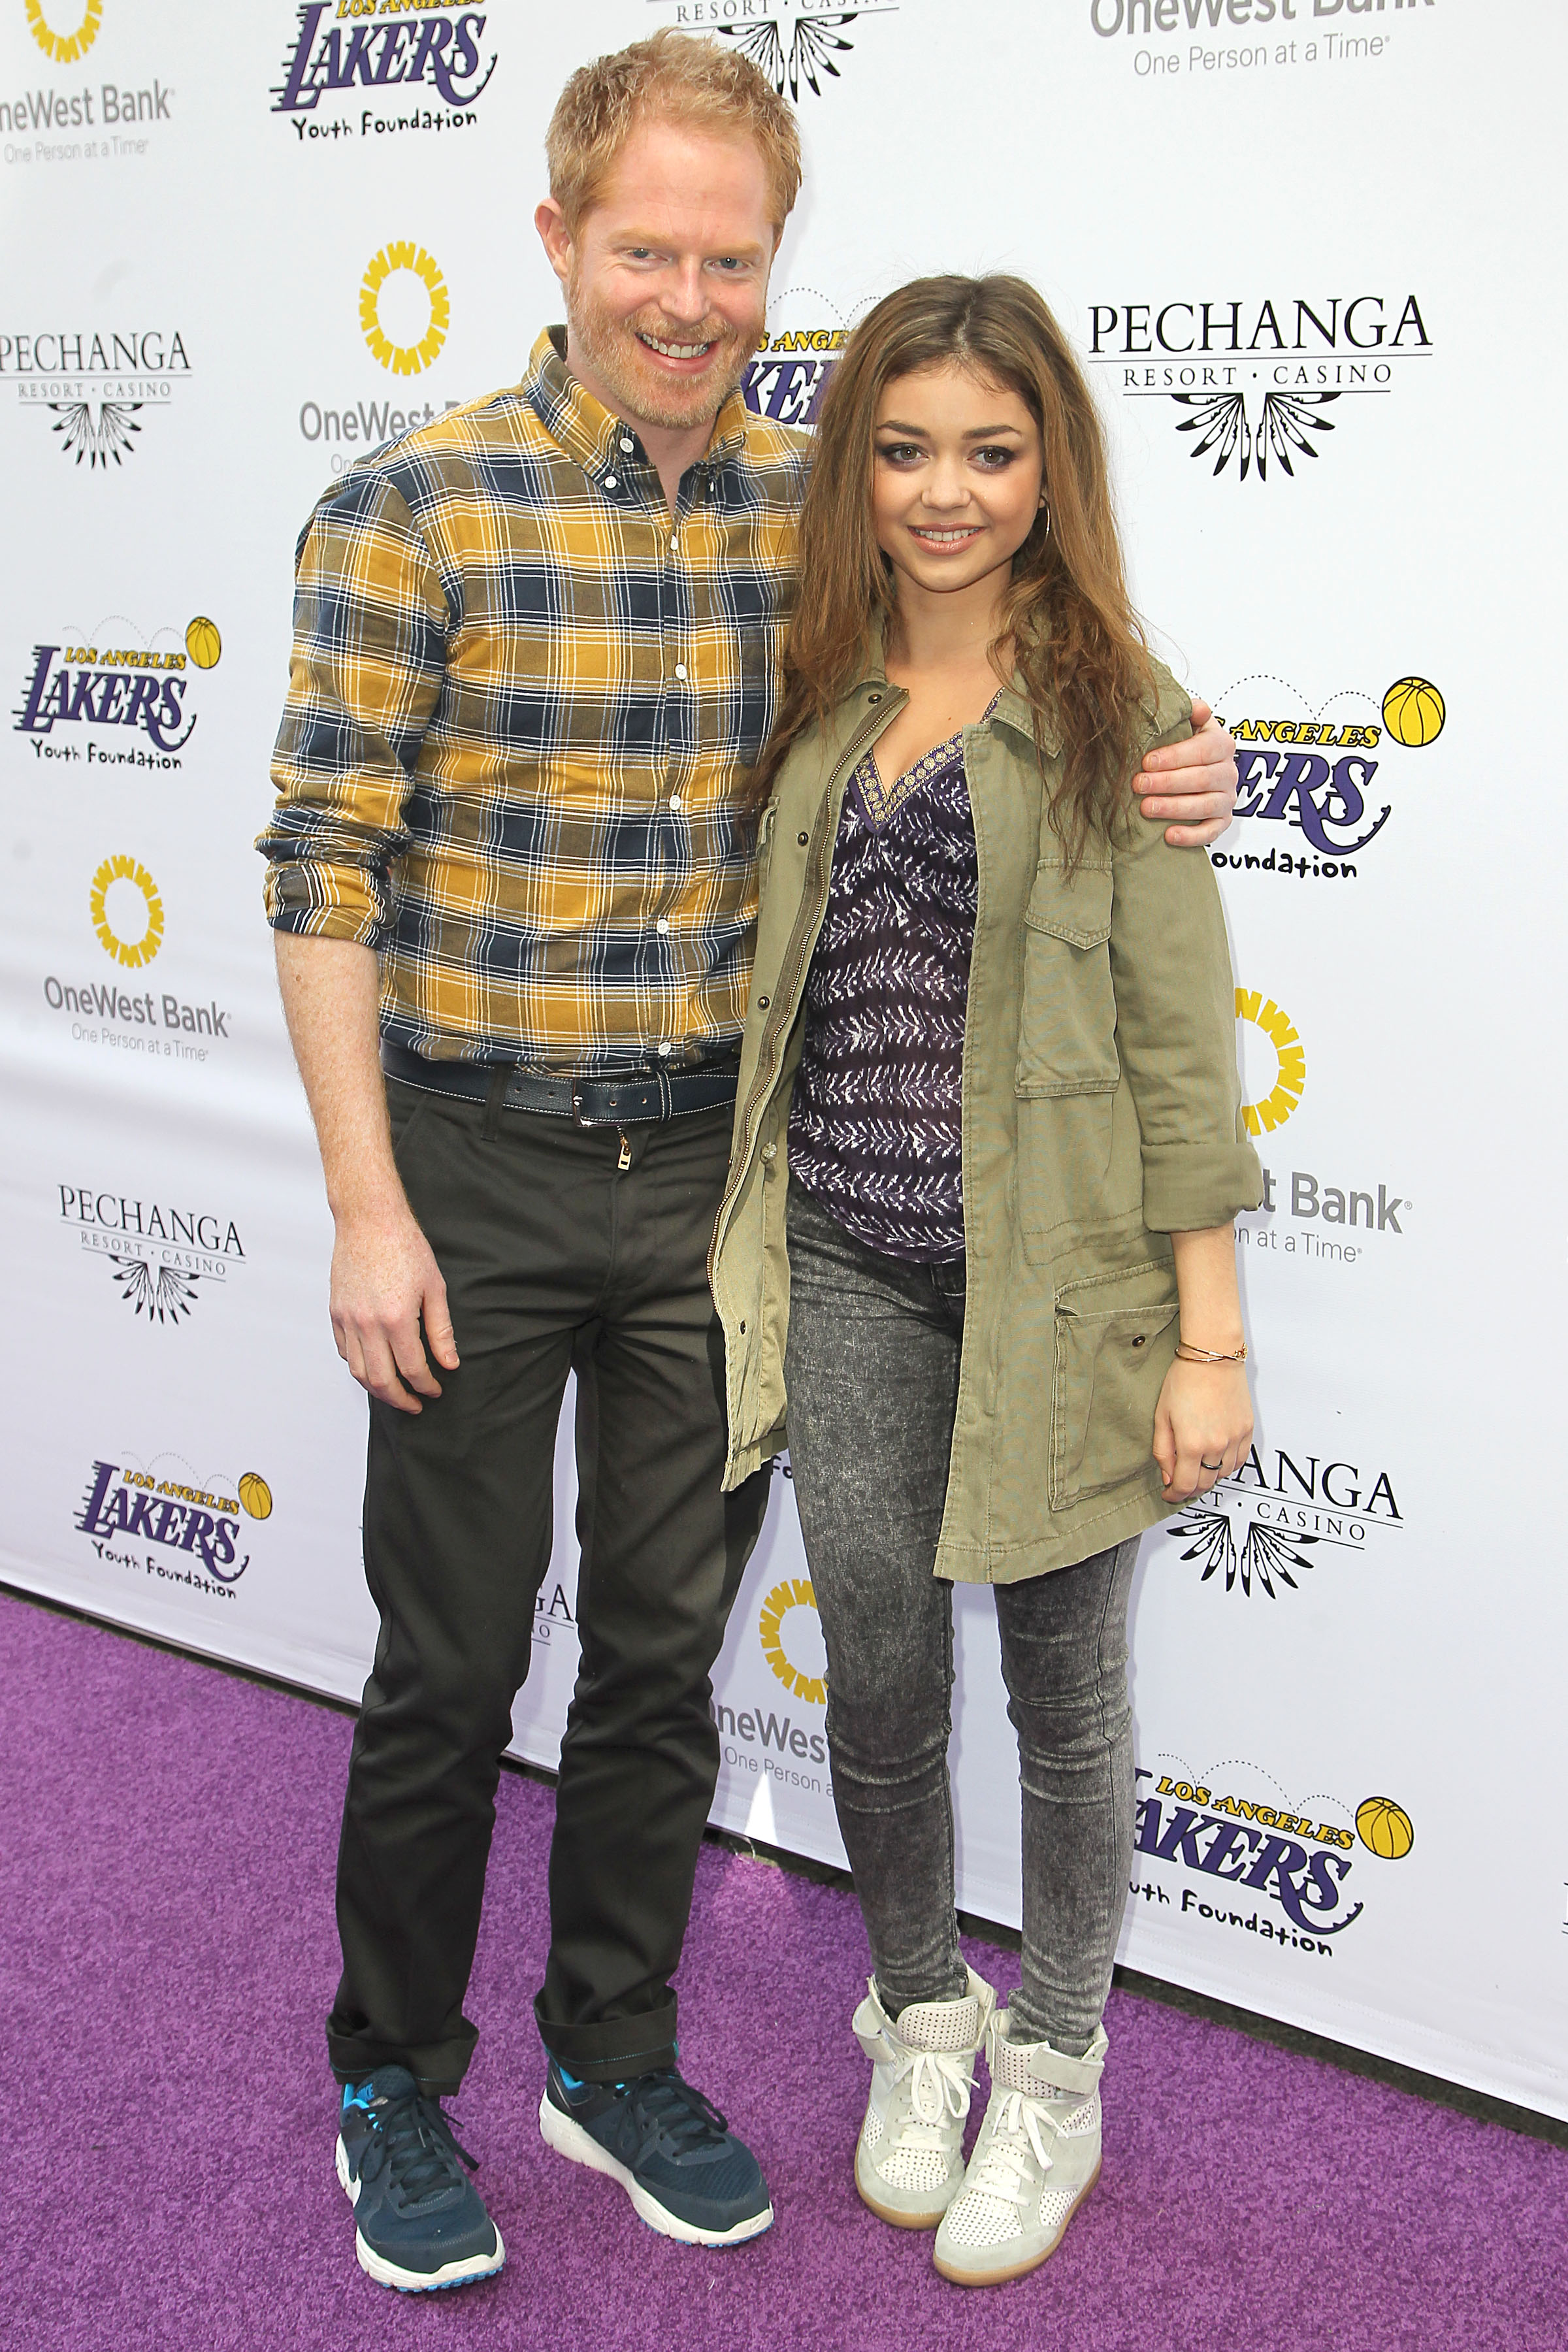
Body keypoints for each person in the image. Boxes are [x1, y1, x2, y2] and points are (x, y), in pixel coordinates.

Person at [257, 33, 1239, 2295]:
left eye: (730, 256)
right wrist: (366, 1201)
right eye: (646, 251)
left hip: (723, 1187)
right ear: (555, 240)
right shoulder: (414, 509)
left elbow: (1027, 642)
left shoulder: (821, 524)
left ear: (771, 264)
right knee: (447, 1652)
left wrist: (1185, 755)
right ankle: (390, 2071)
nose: (687, 298)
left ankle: (609, 2047)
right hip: (478, 1174)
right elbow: (319, 864)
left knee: (659, 1656)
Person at [709, 273, 1262, 2289]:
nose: (947, 492)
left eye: (995, 452)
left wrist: (1211, 1338)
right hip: (847, 1260)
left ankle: (1055, 2064)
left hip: (1066, 1297)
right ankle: (923, 2017)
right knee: (875, 1665)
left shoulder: (1119, 702)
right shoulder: (823, 671)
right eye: (908, 445)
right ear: (858, 457)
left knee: (1066, 1699)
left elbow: (1184, 1052)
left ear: (1054, 470)